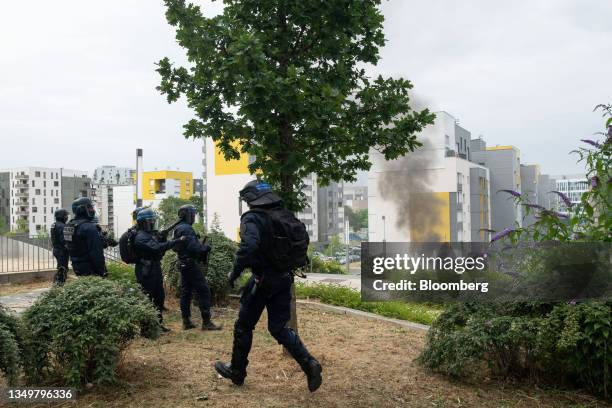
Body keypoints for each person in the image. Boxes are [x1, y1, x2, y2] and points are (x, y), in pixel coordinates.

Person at [215, 180, 322, 392]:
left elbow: (248, 246)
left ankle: (237, 371)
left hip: (262, 280)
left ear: (251, 199)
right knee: (278, 328)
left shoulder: (253, 218)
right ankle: (310, 364)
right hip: (284, 279)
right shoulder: (284, 215)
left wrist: (234, 273)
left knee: (244, 325)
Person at [173, 204, 221, 330]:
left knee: (186, 292)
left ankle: (186, 322)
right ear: (187, 215)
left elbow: (175, 247)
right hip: (190, 264)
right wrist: (206, 247)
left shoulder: (178, 228)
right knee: (204, 290)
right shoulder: (187, 229)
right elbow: (194, 247)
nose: (194, 217)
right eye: (192, 215)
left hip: (183, 263)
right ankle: (206, 323)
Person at [133, 208, 181, 333]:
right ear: (143, 222)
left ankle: (158, 325)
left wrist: (163, 238)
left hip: (154, 267)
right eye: (151, 221)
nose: (153, 223)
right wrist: (175, 241)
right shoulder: (140, 237)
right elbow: (156, 248)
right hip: (145, 270)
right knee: (147, 298)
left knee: (159, 297)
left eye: (154, 221)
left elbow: (160, 249)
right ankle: (146, 328)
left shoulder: (150, 234)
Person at [64, 197, 106, 277]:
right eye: (90, 207)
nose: (92, 210)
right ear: (82, 209)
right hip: (90, 267)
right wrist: (102, 271)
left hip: (76, 265)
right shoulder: (89, 227)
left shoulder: (69, 225)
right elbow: (96, 252)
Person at [50, 209, 69, 286]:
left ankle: (58, 283)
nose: (67, 217)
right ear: (62, 216)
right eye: (66, 216)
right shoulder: (62, 226)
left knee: (60, 267)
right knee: (63, 269)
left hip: (56, 249)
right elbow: (63, 240)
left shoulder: (54, 224)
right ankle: (59, 284)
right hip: (61, 250)